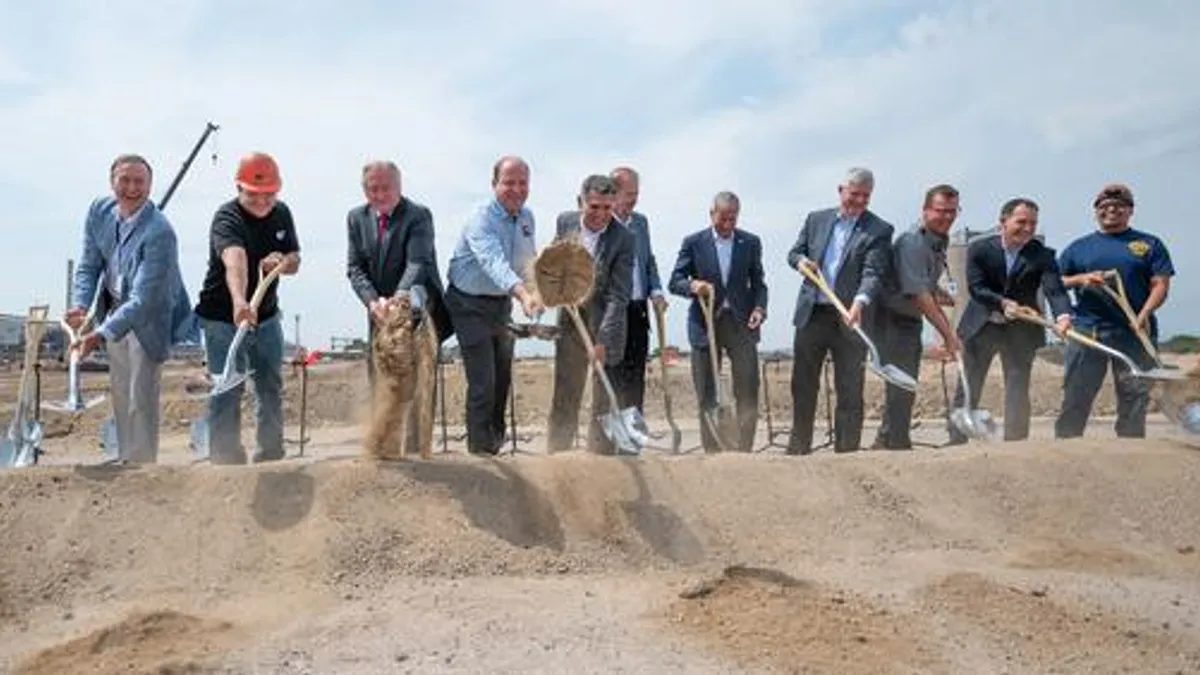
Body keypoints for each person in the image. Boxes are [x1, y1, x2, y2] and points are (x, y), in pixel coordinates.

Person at [69, 153, 196, 464]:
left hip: (148, 318)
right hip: (113, 311)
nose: (131, 188)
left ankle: (142, 466)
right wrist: (81, 306)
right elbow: (88, 265)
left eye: (139, 181)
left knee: (141, 395)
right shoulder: (99, 212)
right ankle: (127, 457)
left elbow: (144, 299)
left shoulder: (160, 233)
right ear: (112, 181)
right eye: (124, 180)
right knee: (121, 392)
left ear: (150, 186)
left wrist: (98, 334)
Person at [194, 152, 302, 464]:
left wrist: (283, 262)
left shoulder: (282, 214)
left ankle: (270, 454)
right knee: (227, 386)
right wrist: (240, 301)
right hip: (222, 319)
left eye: (269, 195)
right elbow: (235, 259)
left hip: (266, 317)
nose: (262, 202)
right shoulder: (227, 217)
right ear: (239, 188)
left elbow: (295, 258)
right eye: (254, 195)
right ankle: (225, 458)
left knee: (270, 384)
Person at [785, 167, 893, 454]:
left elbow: (873, 273)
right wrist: (802, 263)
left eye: (865, 197)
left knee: (849, 387)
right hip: (813, 314)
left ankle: (847, 452)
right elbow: (794, 253)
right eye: (854, 194)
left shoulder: (879, 230)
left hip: (850, 317)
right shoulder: (816, 219)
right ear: (840, 190)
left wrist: (859, 303)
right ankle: (798, 448)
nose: (858, 201)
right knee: (803, 385)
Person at [1055, 184, 1175, 439]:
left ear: (1130, 211)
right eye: (1105, 207)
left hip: (1134, 332)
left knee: (1134, 397)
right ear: (1096, 211)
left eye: (1119, 207)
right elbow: (1055, 282)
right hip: (1089, 332)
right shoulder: (1079, 248)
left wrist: (1144, 314)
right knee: (1077, 394)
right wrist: (1083, 279)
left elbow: (1160, 284)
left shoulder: (1148, 244)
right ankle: (1065, 448)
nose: (1111, 211)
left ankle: (1129, 453)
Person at [950, 197, 1071, 444]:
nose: (1028, 229)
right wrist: (1003, 303)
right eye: (1021, 222)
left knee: (1018, 386)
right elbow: (977, 288)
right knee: (969, 385)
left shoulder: (1043, 255)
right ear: (1003, 222)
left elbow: (1055, 290)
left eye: (1033, 224)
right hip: (981, 326)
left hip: (1020, 331)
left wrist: (1063, 316)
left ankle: (1016, 444)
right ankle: (957, 441)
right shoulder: (980, 250)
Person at [444, 156, 543, 455]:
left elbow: (528, 261)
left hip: (500, 304)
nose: (516, 189)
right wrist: (522, 295)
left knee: (502, 378)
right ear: (494, 184)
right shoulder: (481, 217)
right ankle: (480, 455)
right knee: (483, 381)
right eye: (508, 182)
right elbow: (493, 263)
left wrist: (537, 290)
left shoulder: (527, 218)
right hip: (467, 303)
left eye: (522, 183)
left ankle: (494, 444)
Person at [667, 191, 767, 452]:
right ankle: (712, 451)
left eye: (733, 219)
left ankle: (743, 448)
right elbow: (674, 281)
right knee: (707, 392)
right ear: (712, 214)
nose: (727, 225)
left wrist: (759, 308)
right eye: (723, 219)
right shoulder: (694, 243)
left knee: (747, 388)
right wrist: (693, 284)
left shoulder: (751, 242)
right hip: (705, 325)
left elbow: (759, 284)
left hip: (741, 325)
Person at [546, 175, 635, 455]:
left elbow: (618, 296)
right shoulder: (565, 222)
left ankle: (603, 461)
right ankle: (557, 457)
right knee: (566, 393)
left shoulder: (624, 238)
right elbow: (552, 261)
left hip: (606, 323)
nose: (601, 215)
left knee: (604, 399)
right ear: (580, 202)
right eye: (594, 207)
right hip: (571, 321)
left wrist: (603, 341)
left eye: (608, 208)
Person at [345, 159, 453, 388]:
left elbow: (417, 263)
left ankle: (417, 425)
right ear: (365, 190)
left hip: (417, 306)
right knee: (381, 379)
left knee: (417, 383)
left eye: (387, 188)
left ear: (399, 186)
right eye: (373, 189)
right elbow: (355, 268)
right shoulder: (356, 218)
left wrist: (398, 300)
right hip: (380, 310)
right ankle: (383, 424)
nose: (380, 195)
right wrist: (373, 302)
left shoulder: (418, 216)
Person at [871, 184, 963, 450]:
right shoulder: (913, 242)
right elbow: (919, 295)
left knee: (905, 383)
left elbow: (926, 284)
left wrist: (945, 295)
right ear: (925, 210)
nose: (948, 217)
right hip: (892, 319)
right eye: (941, 211)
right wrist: (948, 336)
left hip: (909, 320)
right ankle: (895, 442)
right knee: (902, 383)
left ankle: (889, 438)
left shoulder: (938, 239)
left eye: (953, 212)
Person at [608, 166, 667, 414]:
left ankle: (631, 440)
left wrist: (656, 291)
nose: (634, 199)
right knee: (612, 376)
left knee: (635, 377)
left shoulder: (641, 223)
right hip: (612, 311)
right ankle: (606, 443)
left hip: (639, 309)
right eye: (629, 193)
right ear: (614, 192)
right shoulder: (603, 223)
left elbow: (648, 260)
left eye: (636, 193)